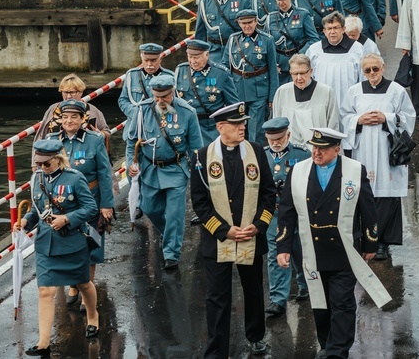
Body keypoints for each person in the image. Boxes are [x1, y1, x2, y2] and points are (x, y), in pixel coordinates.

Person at [276, 127, 390, 359]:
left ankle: (338, 351)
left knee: (342, 303)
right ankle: (327, 344)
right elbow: (287, 212)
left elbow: (368, 209)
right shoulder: (298, 171)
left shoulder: (354, 170)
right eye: (314, 147)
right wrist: (283, 247)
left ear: (337, 150)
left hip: (343, 250)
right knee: (321, 303)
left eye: (323, 149)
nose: (316, 153)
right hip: (312, 251)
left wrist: (370, 243)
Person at [190, 102, 275, 358]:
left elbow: (269, 194)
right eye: (237, 124)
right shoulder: (202, 156)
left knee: (253, 290)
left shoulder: (256, 152)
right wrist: (223, 230)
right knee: (217, 297)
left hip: (250, 235)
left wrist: (259, 226)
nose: (243, 127)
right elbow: (199, 202)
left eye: (244, 123)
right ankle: (217, 349)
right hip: (219, 239)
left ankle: (256, 335)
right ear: (220, 127)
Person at [17, 140, 100, 357]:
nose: (42, 168)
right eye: (39, 164)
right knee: (45, 291)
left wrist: (67, 218)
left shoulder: (74, 177)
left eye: (46, 164)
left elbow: (90, 208)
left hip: (72, 242)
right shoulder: (36, 179)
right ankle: (44, 341)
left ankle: (93, 315)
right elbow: (36, 210)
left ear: (57, 159)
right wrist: (26, 221)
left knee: (83, 283)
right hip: (46, 244)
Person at [340, 53, 416, 260]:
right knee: (363, 195)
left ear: (383, 68)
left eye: (376, 69)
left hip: (386, 151)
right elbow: (344, 116)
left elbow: (409, 118)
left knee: (385, 196)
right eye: (367, 70)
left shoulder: (396, 90)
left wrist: (387, 118)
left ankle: (381, 242)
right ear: (362, 72)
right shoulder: (354, 91)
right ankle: (365, 240)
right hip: (362, 150)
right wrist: (358, 120)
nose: (372, 73)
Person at [125, 73, 203, 270]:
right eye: (157, 97)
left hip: (176, 169)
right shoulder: (142, 111)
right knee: (150, 208)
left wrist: (198, 176)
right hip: (150, 169)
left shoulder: (187, 112)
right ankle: (170, 235)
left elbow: (196, 148)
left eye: (165, 97)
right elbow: (132, 141)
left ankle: (171, 253)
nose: (160, 101)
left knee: (175, 214)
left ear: (173, 92)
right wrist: (131, 165)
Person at [47, 100, 114, 312]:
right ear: (59, 119)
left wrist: (106, 204)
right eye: (65, 117)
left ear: (83, 119)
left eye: (74, 117)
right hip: (63, 204)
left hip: (90, 200)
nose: (69, 121)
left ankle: (86, 290)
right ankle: (73, 285)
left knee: (89, 247)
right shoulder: (52, 140)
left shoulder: (94, 140)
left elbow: (104, 173)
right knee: (67, 245)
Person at [261, 117, 311, 316]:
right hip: (273, 214)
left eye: (279, 138)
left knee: (299, 250)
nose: (275, 142)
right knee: (275, 255)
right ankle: (278, 299)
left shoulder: (302, 154)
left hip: (297, 212)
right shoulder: (261, 156)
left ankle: (305, 283)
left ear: (288, 135)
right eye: (271, 139)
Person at [223, 9, 280, 143]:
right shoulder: (233, 39)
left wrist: (273, 96)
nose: (247, 26)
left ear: (255, 22)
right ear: (239, 24)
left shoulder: (267, 39)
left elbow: (272, 69)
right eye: (243, 23)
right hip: (237, 90)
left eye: (250, 22)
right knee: (237, 128)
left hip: (259, 90)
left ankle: (255, 158)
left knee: (256, 130)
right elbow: (225, 66)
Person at [175, 39, 240, 142]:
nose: (193, 61)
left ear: (207, 55)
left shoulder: (221, 73)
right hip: (188, 126)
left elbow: (233, 105)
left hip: (211, 128)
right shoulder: (181, 70)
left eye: (196, 57)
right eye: (190, 57)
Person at [272, 53, 340, 150]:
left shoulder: (326, 92)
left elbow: (333, 125)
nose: (299, 78)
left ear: (311, 71)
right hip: (290, 152)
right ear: (290, 73)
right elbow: (277, 125)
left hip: (318, 150)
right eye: (295, 74)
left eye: (303, 73)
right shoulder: (282, 92)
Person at [306, 11, 366, 115]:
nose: (332, 32)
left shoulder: (357, 49)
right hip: (321, 103)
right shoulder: (314, 50)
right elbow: (308, 77)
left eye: (336, 28)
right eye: (329, 28)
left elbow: (363, 78)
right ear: (324, 31)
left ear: (343, 29)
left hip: (349, 104)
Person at [34, 74, 110, 154]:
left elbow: (107, 131)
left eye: (72, 92)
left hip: (83, 155)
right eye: (65, 92)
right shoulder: (52, 109)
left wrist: (100, 134)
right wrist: (35, 163)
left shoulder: (93, 111)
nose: (69, 96)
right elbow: (40, 136)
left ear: (81, 92)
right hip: (55, 156)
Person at [195, 0, 253, 64]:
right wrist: (198, 54)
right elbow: (200, 32)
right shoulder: (205, 2)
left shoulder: (243, 1)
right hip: (213, 51)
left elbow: (251, 30)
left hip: (237, 50)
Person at [265, 0, 320, 84]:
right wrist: (273, 62)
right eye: (278, 0)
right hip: (280, 66)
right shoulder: (270, 18)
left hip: (300, 64)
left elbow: (314, 39)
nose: (281, 2)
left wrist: (299, 56)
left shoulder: (303, 14)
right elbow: (266, 43)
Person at [118, 43, 175, 134]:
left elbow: (175, 103)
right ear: (141, 58)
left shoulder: (170, 77)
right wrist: (137, 114)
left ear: (160, 59)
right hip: (135, 128)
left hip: (160, 128)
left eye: (153, 60)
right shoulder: (132, 75)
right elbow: (123, 100)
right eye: (146, 60)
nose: (149, 64)